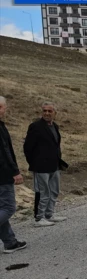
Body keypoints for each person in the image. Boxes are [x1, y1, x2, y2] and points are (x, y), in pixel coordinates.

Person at [23, 102, 67, 227]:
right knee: (43, 192)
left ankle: (49, 214)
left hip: (54, 165)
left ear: (55, 113)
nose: (47, 113)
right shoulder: (35, 126)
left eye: (50, 111)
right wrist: (34, 163)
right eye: (45, 111)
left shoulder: (55, 126)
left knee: (54, 191)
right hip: (41, 166)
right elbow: (28, 147)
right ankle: (39, 217)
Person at [0, 96, 28, 253]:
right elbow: (4, 153)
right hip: (2, 175)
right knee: (9, 207)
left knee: (1, 207)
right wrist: (15, 171)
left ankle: (10, 242)